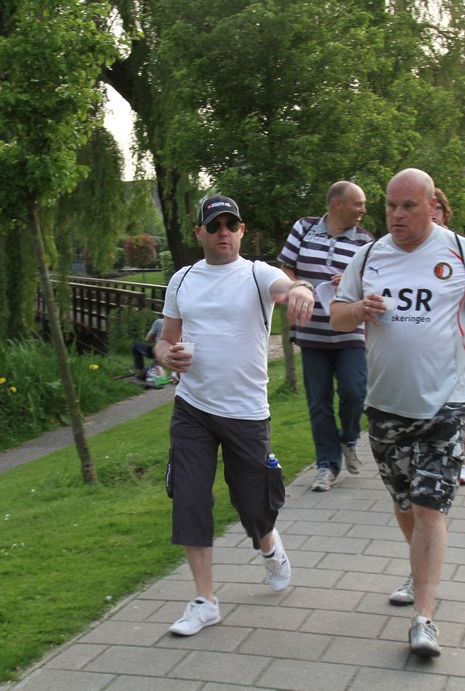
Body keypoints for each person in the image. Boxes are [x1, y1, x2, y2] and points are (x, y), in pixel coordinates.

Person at [330, 169, 465, 658]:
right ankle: (419, 570)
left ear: (432, 206)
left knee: (431, 507)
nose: (397, 215)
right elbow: (337, 316)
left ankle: (424, 618)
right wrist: (359, 309)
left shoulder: (462, 253)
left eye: (409, 206)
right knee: (406, 502)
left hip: (445, 402)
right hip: (385, 405)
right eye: (391, 205)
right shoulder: (369, 255)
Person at [154, 194, 315, 636]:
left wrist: (301, 290)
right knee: (189, 498)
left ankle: (269, 545)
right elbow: (166, 339)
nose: (223, 232)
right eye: (214, 226)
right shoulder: (182, 279)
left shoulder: (257, 273)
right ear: (199, 233)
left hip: (245, 412)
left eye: (231, 225)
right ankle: (205, 601)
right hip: (192, 408)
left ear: (242, 231)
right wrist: (166, 356)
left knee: (253, 504)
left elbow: (286, 287)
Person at [278, 181, 373, 492]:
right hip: (312, 333)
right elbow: (285, 270)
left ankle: (349, 438)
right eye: (358, 203)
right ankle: (326, 466)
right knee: (319, 403)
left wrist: (351, 282)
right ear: (337, 204)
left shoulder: (366, 241)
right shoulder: (304, 229)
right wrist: (299, 286)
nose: (363, 210)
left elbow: (375, 283)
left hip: (350, 332)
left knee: (354, 392)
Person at [431, 187, 465, 486]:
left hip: (462, 346)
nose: (432, 214)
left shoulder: (463, 250)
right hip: (427, 352)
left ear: (445, 212)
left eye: (437, 208)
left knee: (463, 409)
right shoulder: (406, 251)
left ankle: (460, 461)